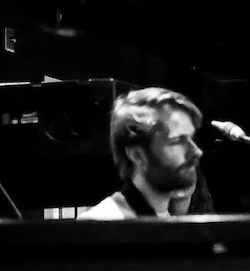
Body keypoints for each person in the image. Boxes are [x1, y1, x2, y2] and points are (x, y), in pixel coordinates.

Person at [82, 87, 204, 220]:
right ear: (137, 156)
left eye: (191, 138)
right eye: (177, 141)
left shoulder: (164, 218)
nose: (197, 151)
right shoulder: (103, 224)